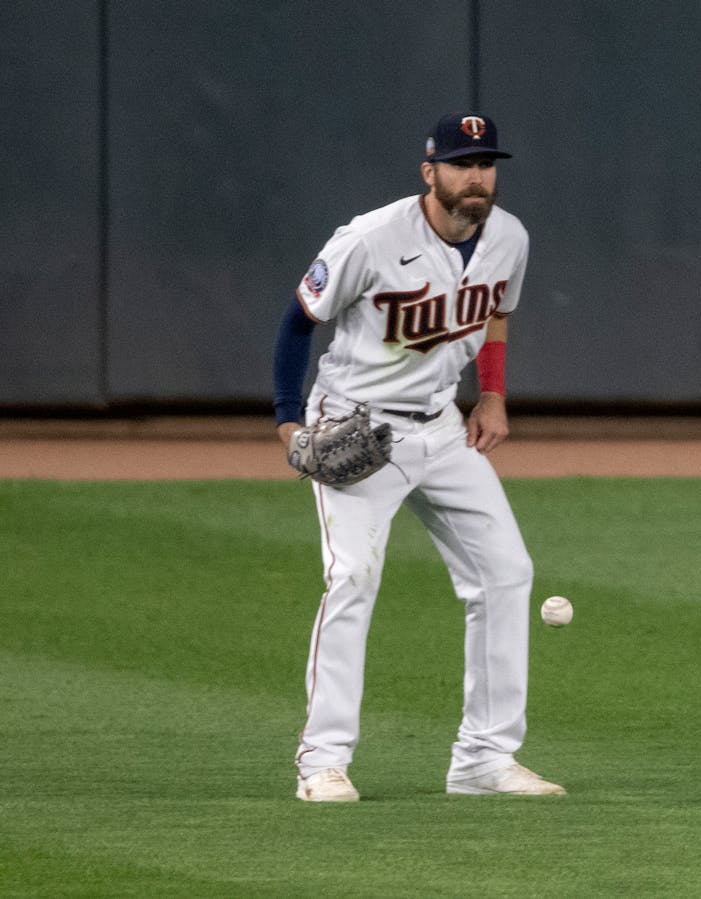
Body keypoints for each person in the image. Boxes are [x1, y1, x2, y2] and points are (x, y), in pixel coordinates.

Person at [272, 112, 563, 802]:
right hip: (356, 428)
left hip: (442, 427)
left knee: (505, 572)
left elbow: (495, 312)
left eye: (487, 163)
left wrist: (491, 394)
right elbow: (297, 322)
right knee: (352, 579)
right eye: (463, 163)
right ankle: (322, 760)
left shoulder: (510, 238)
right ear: (429, 172)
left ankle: (484, 759)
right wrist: (288, 422)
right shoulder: (370, 239)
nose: (477, 177)